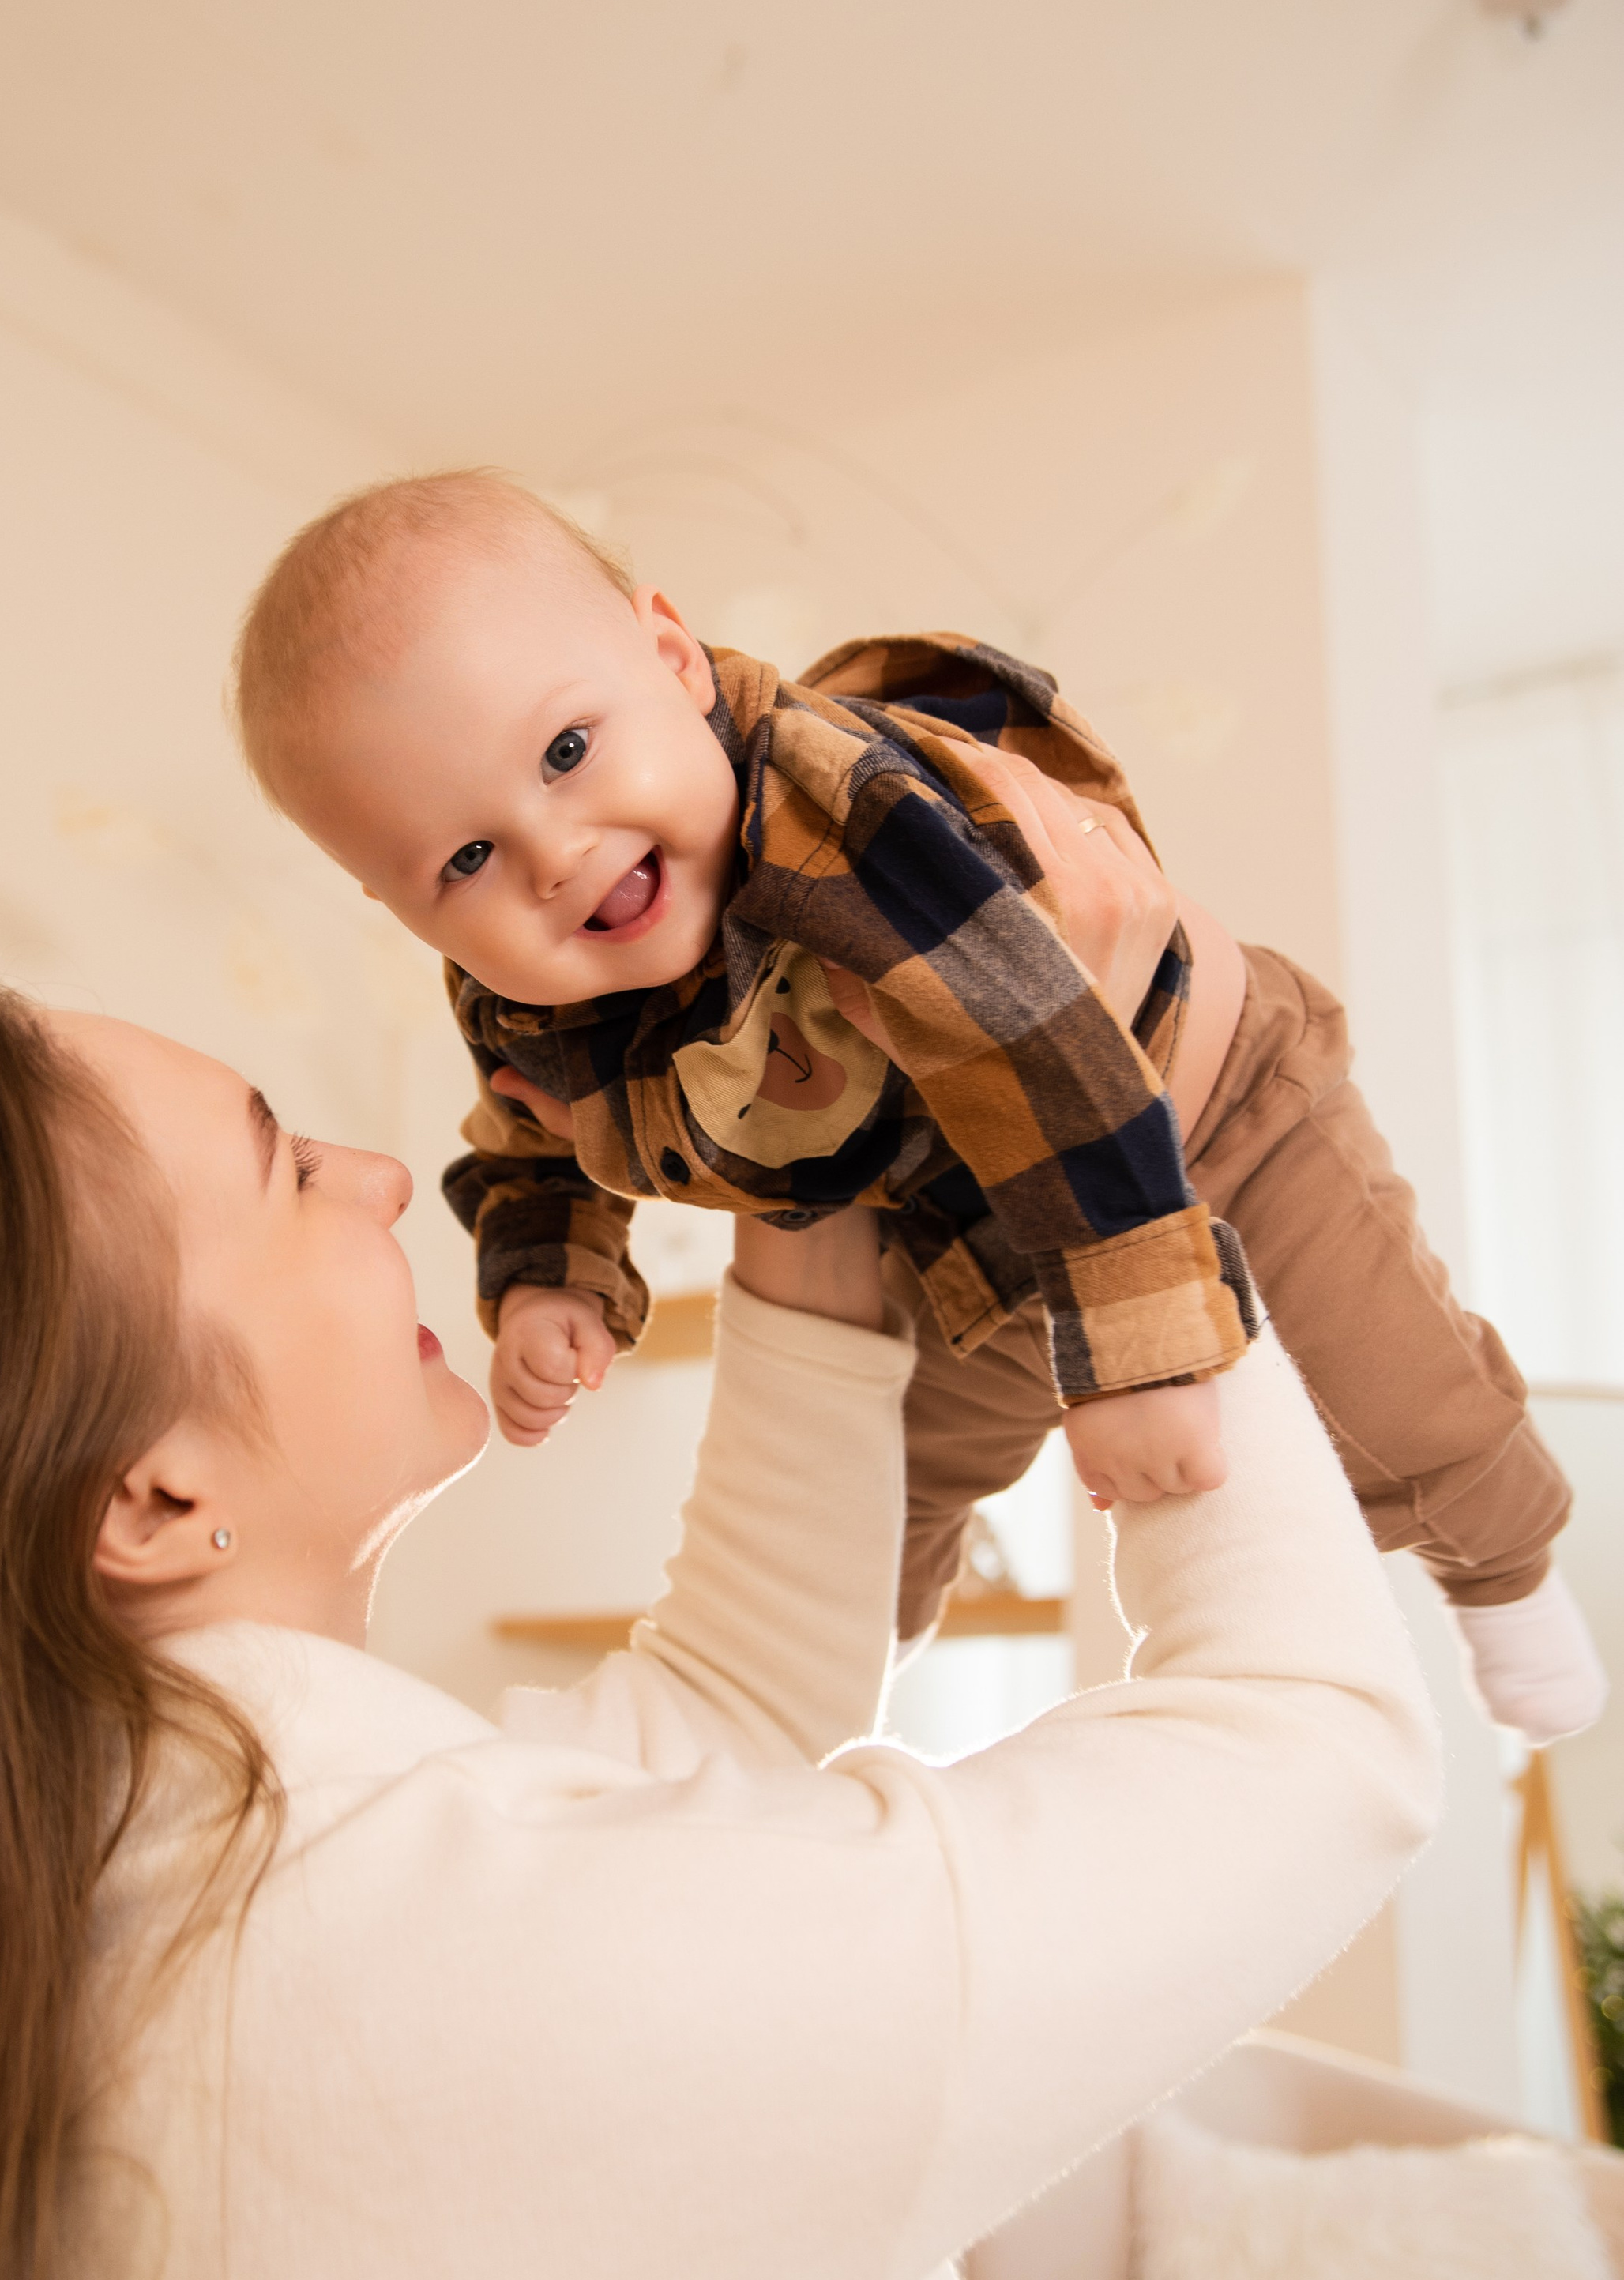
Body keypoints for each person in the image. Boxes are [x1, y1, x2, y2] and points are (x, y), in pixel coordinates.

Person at [0, 796, 1438, 2280]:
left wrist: (792, 1206)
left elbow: (715, 1721)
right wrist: (1106, 1128)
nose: (386, 1178)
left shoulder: (67, 1921)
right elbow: (1312, 1737)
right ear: (146, 1494)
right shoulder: (429, 1979)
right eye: (282, 1169)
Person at [231, 468, 1603, 1742]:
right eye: (465, 857)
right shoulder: (527, 993)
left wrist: (1131, 1356)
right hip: (958, 1235)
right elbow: (533, 1130)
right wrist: (554, 1281)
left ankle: (1511, 1574)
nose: (555, 854)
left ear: (670, 657)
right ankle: (816, 1705)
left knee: (1403, 1408)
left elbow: (1039, 1040)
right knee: (879, 1497)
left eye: (569, 749)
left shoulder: (849, 808)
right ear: (398, 903)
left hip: (1205, 1112)